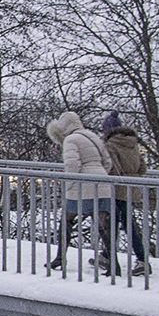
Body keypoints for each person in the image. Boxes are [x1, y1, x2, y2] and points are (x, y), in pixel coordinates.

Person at [45, 110, 112, 272]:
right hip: (102, 184)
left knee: (66, 220)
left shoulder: (70, 140)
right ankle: (113, 263)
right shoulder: (92, 136)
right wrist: (100, 176)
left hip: (83, 186)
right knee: (103, 225)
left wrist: (68, 185)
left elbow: (72, 165)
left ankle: (60, 258)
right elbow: (108, 162)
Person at [100, 111, 150, 277]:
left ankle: (140, 260)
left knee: (113, 224)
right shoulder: (133, 144)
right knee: (127, 223)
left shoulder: (110, 145)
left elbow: (111, 168)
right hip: (132, 188)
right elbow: (142, 168)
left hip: (117, 188)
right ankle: (107, 256)